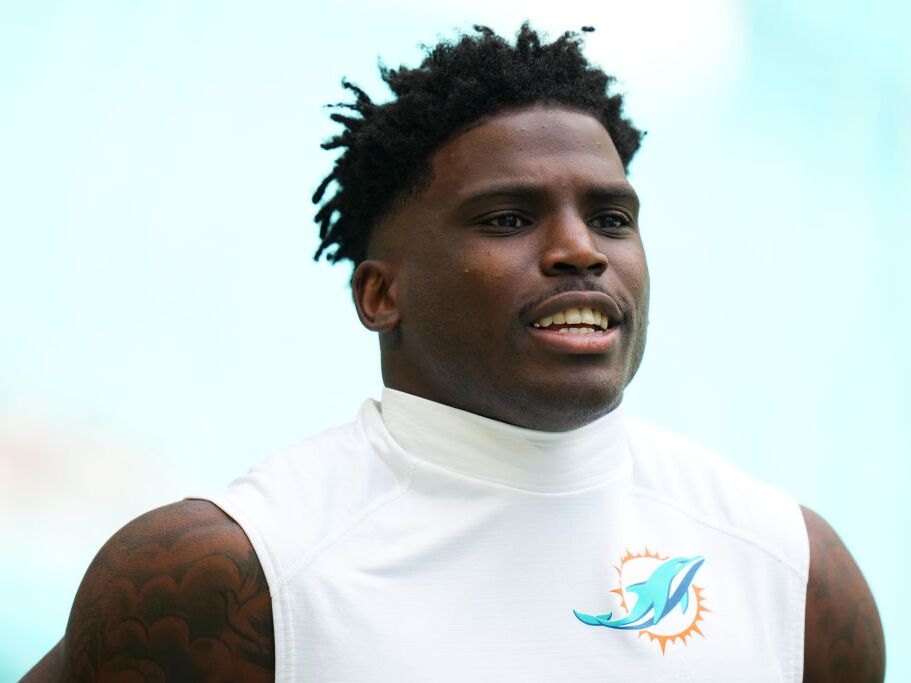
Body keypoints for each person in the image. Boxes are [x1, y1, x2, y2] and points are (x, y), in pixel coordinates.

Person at [24, 23, 884, 682]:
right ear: (380, 293)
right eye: (507, 218)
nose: (581, 249)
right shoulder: (235, 572)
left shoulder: (795, 573)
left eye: (612, 218)